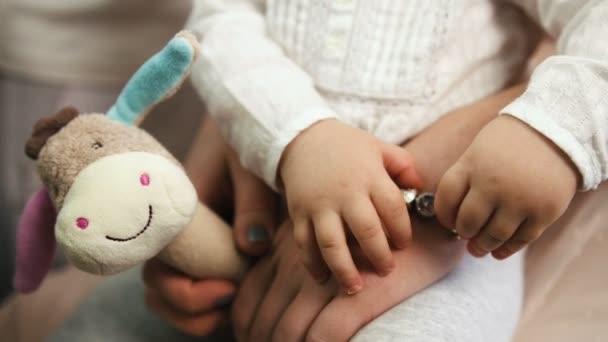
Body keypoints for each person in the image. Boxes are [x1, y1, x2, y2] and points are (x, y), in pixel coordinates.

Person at [147, 0, 605, 340]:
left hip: (460, 244)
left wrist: (552, 128)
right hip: (259, 204)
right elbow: (219, 20)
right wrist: (301, 132)